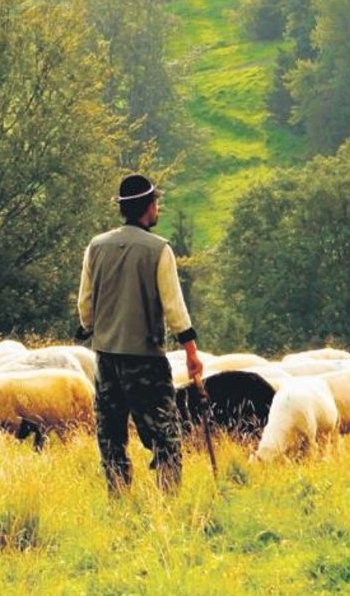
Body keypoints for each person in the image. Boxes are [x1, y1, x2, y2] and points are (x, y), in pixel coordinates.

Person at [77, 173, 204, 495]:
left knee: (111, 435)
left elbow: (85, 304)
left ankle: (118, 496)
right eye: (156, 202)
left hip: (106, 357)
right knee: (165, 434)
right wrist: (191, 352)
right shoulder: (158, 250)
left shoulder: (97, 246)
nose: (158, 208)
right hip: (145, 359)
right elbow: (174, 307)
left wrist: (94, 329)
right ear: (148, 207)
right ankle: (168, 500)